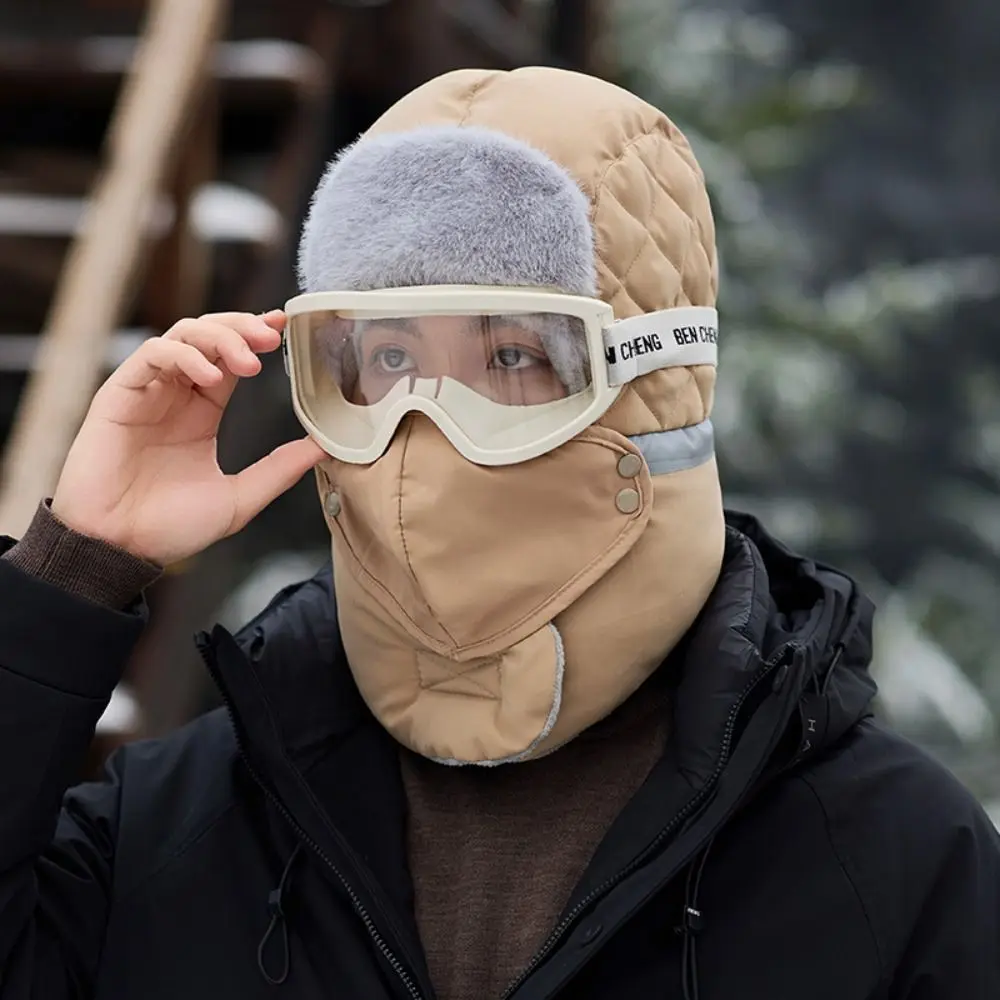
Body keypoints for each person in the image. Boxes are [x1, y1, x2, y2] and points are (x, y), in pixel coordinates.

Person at [0, 66, 997, 1000]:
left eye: (511, 353)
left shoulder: (890, 859)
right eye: (386, 355)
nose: (426, 425)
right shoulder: (178, 827)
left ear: (651, 383)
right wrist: (74, 567)